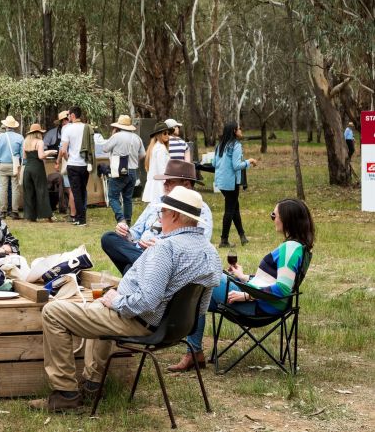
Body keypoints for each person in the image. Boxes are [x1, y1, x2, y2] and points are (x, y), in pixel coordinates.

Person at [28, 186, 222, 412]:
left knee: (54, 312)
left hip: (141, 322)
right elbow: (202, 306)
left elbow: (147, 302)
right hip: (172, 328)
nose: (159, 219)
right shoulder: (210, 252)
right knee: (101, 305)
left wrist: (117, 301)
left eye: (162, 213)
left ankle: (65, 396)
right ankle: (92, 385)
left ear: (175, 216)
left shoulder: (166, 248)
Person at [170, 198, 315, 372]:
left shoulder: (290, 248)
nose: (273, 219)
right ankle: (194, 354)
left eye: (274, 215)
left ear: (287, 218)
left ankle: (191, 351)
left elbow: (283, 289)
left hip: (258, 306)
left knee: (205, 276)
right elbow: (273, 281)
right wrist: (243, 277)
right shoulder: (299, 247)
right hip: (264, 303)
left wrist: (246, 295)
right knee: (197, 299)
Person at [101, 160, 212, 275]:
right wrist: (124, 232)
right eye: (164, 181)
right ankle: (140, 268)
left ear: (186, 184)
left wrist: (161, 247)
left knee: (129, 268)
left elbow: (198, 245)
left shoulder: (199, 209)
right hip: (139, 251)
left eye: (170, 182)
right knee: (108, 238)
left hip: (164, 259)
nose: (165, 185)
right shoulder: (157, 201)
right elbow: (135, 232)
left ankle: (138, 270)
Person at [214, 122, 257, 248]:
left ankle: (242, 236)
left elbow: (214, 163)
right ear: (234, 131)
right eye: (239, 128)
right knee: (230, 210)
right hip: (231, 183)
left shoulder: (220, 145)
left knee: (234, 208)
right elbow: (236, 166)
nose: (241, 130)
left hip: (221, 182)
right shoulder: (236, 145)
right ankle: (224, 240)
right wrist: (249, 161)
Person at [102, 115, 145, 224]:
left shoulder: (116, 136)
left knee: (112, 196)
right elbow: (143, 154)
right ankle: (128, 221)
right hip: (133, 172)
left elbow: (105, 148)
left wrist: (112, 135)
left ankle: (121, 219)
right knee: (127, 198)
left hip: (119, 171)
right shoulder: (137, 138)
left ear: (118, 126)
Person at [56, 107, 95, 226]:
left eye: (68, 115)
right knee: (82, 191)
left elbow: (63, 150)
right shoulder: (87, 127)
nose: (68, 117)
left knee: (76, 192)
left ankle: (81, 219)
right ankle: (81, 217)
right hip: (85, 164)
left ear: (72, 115)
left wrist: (64, 159)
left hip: (73, 163)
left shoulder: (67, 128)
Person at [22, 124, 58, 222]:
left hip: (28, 168)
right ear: (38, 133)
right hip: (37, 168)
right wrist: (50, 152)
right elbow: (41, 156)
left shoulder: (25, 142)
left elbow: (24, 157)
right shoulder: (39, 142)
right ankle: (47, 215)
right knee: (41, 191)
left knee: (29, 192)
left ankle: (30, 216)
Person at [0, 115, 24, 219]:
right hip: (15, 165)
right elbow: (22, 154)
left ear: (5, 126)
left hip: (2, 164)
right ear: (14, 127)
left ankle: (3, 210)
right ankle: (14, 211)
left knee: (2, 188)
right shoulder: (19, 137)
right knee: (15, 188)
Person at [141, 122, 171, 203]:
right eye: (165, 133)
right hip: (159, 185)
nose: (167, 135)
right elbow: (162, 168)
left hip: (155, 183)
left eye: (168, 133)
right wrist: (167, 183)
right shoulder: (160, 148)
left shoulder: (154, 147)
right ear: (158, 135)